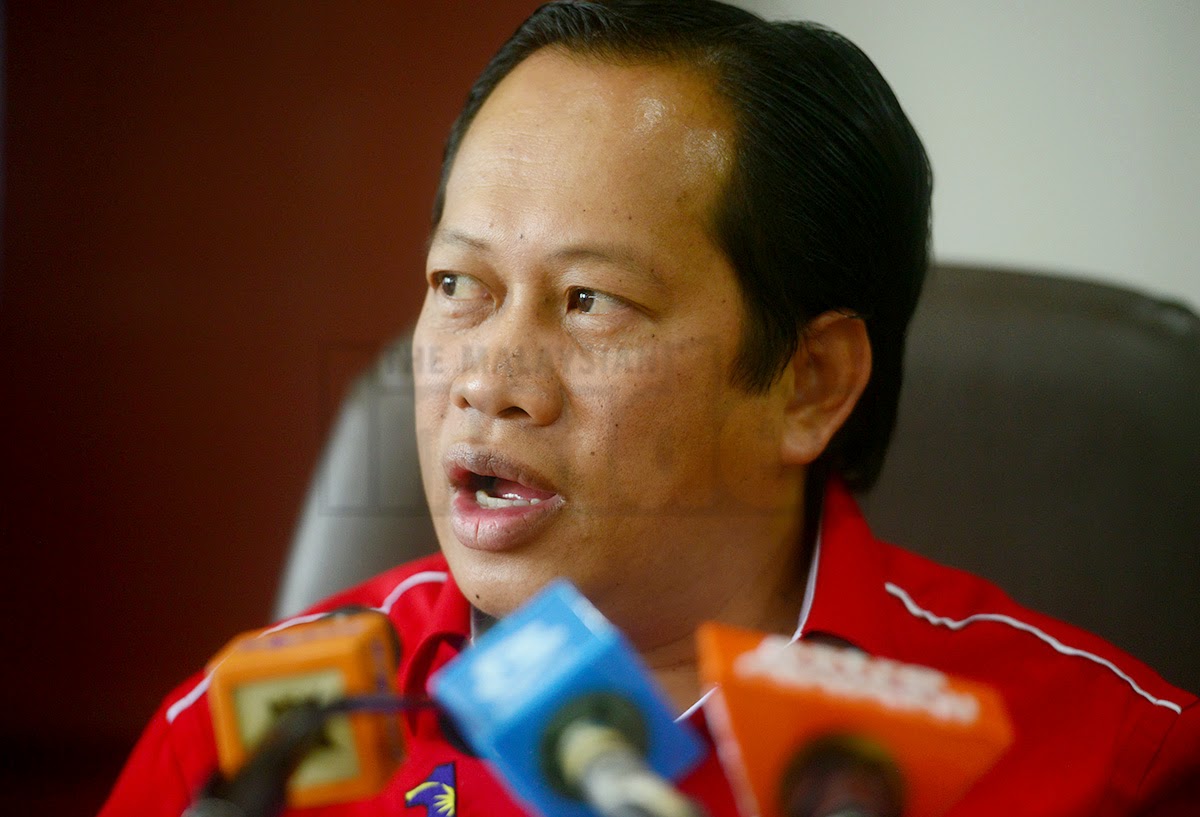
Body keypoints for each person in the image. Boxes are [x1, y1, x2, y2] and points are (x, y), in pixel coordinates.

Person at [100, 2, 1199, 816]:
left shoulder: (1107, 763)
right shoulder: (253, 745)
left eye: (591, 300)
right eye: (458, 284)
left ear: (810, 382)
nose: (488, 380)